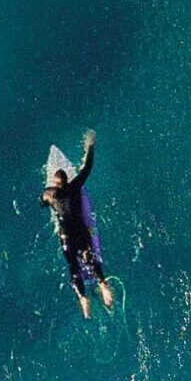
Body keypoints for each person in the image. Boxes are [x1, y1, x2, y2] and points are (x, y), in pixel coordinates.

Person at [41, 128, 115, 318]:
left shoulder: (50, 194)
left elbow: (41, 202)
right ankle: (103, 285)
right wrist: (90, 145)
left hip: (66, 236)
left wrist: (45, 197)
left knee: (73, 267)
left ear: (55, 184)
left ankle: (83, 299)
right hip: (81, 231)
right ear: (67, 181)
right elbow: (87, 167)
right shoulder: (75, 187)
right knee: (89, 258)